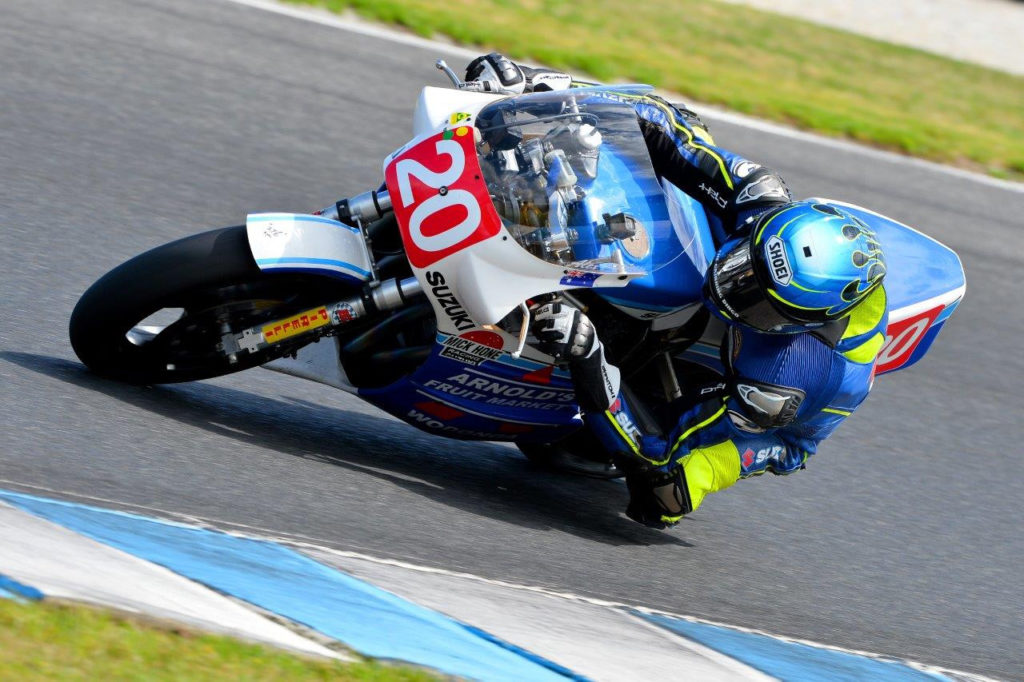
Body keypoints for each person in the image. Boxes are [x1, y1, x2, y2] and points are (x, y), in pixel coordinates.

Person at [465, 54, 888, 528]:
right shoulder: (762, 200)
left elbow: (663, 452)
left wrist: (590, 358)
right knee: (687, 126)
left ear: (796, 324)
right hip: (752, 268)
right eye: (744, 266)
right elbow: (655, 118)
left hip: (770, 420)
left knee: (665, 496)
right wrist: (542, 89)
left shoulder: (785, 377)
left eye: (758, 301)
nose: (735, 286)